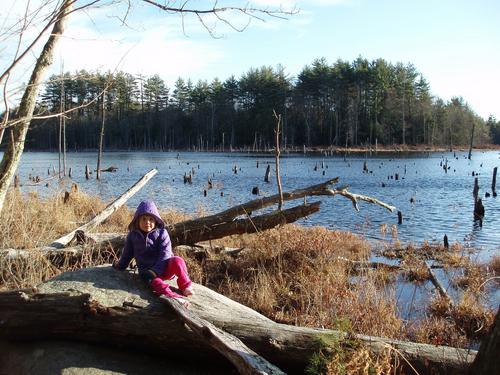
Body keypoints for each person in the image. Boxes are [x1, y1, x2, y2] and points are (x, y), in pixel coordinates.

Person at [113, 200, 194, 306]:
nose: (147, 222)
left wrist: (156, 271)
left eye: (151, 219)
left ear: (156, 221)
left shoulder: (162, 234)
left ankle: (185, 286)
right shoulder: (132, 236)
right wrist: (119, 266)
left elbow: (165, 255)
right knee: (155, 283)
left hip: (164, 267)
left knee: (178, 260)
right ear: (137, 220)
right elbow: (127, 255)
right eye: (144, 219)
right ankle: (175, 297)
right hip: (147, 273)